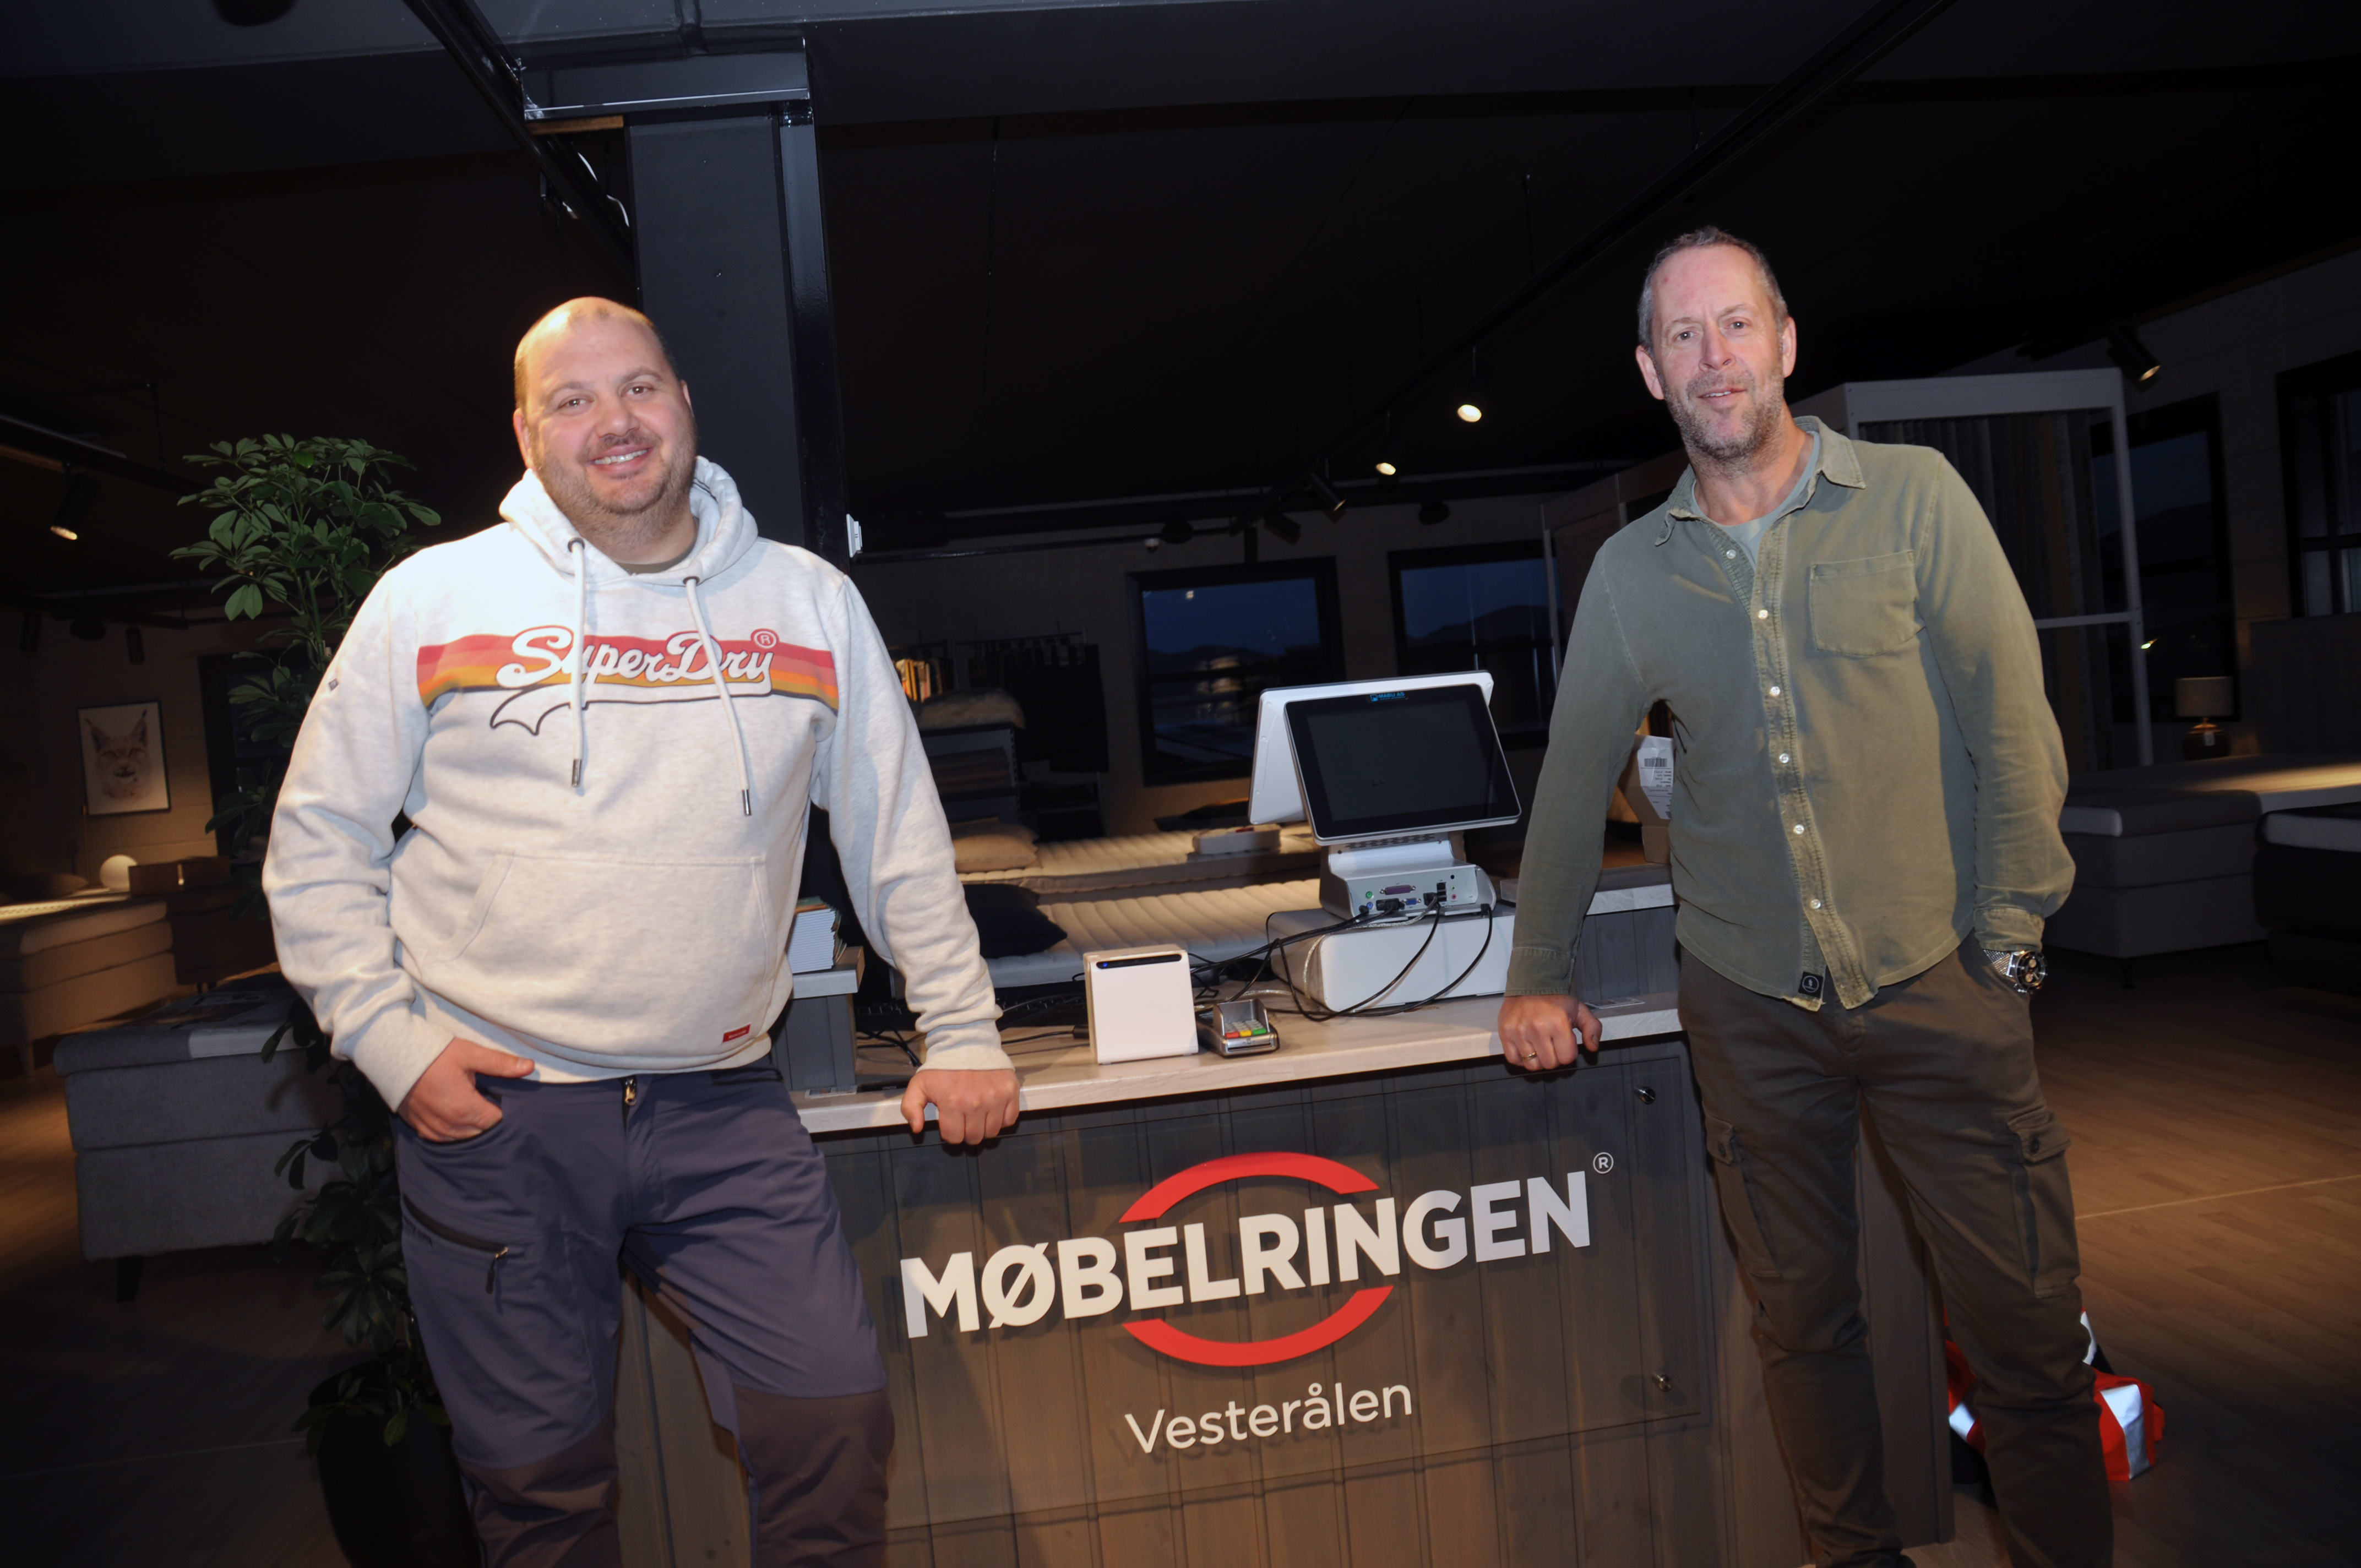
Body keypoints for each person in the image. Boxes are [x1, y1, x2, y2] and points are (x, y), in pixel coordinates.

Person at [265, 297, 1020, 1566]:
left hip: (720, 1103)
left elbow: (896, 836)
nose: (612, 421)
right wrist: (393, 1045)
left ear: (683, 404)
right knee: (541, 1495)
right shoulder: (431, 598)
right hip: (498, 1116)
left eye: (638, 387)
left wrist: (964, 1027)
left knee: (833, 1424)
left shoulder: (806, 600)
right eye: (571, 399)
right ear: (527, 434)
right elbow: (317, 842)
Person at [1497, 230, 2109, 1568]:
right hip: (1749, 1006)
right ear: (1650, 373)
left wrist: (2010, 938)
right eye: (1682, 336)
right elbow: (1573, 780)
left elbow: (2013, 728)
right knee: (1804, 1328)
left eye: (1734, 325)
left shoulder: (1915, 498)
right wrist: (1535, 970)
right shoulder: (1631, 572)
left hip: (1939, 978)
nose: (1712, 357)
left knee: (2021, 1332)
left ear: (1783, 342)